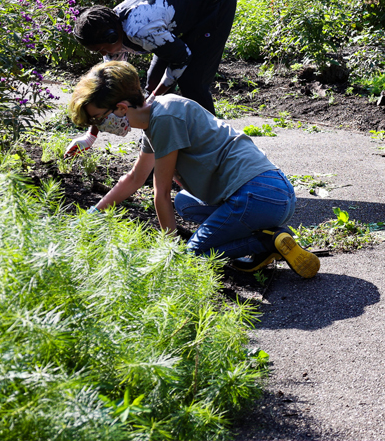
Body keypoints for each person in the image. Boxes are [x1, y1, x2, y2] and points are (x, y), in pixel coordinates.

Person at [67, 61, 320, 279]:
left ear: (121, 108)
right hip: (271, 193)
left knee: (194, 254)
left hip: (258, 196)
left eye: (99, 118)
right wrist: (94, 213)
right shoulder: (158, 115)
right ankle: (264, 234)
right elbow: (135, 178)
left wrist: (171, 253)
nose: (99, 126)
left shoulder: (165, 120)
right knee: (185, 203)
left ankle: (268, 242)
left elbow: (161, 193)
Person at [65, 0, 237, 156]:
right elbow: (108, 91)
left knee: (193, 82)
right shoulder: (110, 29)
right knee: (154, 80)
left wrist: (153, 97)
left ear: (113, 36)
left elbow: (182, 57)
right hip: (185, 9)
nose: (103, 54)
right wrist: (90, 136)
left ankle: (217, 148)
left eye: (102, 49)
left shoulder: (140, 30)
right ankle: (155, 147)